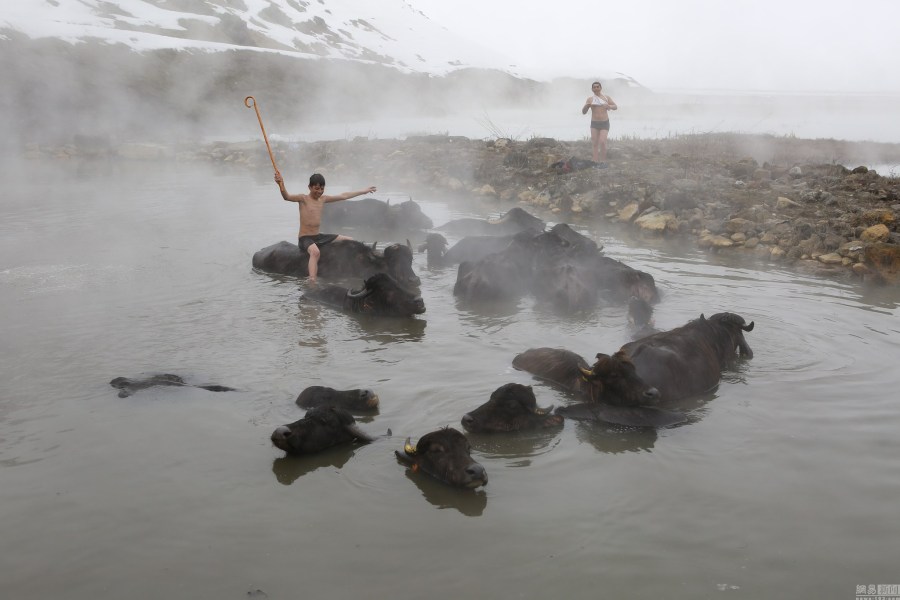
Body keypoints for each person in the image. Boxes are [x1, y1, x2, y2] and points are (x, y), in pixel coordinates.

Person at [274, 171, 376, 282]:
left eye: (322, 189)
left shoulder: (323, 199)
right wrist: (281, 184)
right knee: (315, 252)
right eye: (316, 188)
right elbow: (286, 196)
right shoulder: (303, 199)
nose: (319, 192)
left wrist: (363, 191)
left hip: (318, 237)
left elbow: (344, 196)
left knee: (350, 240)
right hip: (305, 238)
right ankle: (312, 280)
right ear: (309, 187)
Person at [581, 81, 618, 166]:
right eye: (594, 87)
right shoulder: (590, 99)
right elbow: (583, 112)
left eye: (598, 87)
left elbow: (615, 106)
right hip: (594, 123)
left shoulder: (606, 98)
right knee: (594, 143)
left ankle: (603, 161)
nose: (596, 88)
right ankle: (595, 161)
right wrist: (586, 106)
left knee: (602, 142)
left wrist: (609, 106)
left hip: (604, 122)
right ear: (592, 89)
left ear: (601, 88)